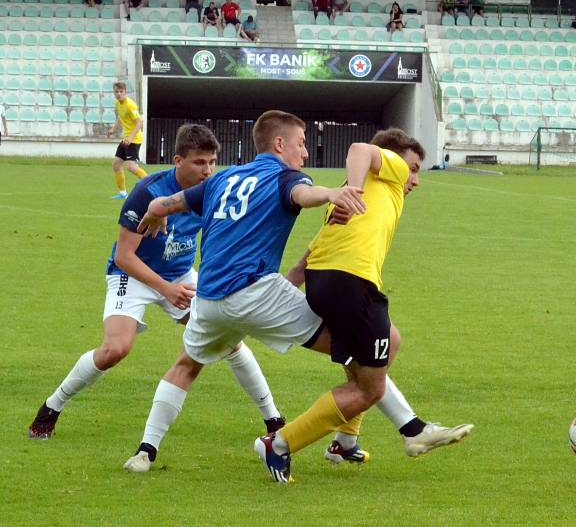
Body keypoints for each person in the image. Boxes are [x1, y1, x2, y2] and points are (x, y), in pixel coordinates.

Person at [125, 114, 472, 474]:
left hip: (209, 300)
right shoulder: (288, 177)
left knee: (186, 364)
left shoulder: (224, 177)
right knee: (364, 351)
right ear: (279, 144)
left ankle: (145, 451)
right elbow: (302, 195)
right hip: (256, 294)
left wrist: (153, 214)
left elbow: (166, 203)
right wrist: (333, 193)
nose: (305, 152)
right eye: (302, 143)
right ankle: (406, 429)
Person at [27, 125, 276, 441]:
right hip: (132, 276)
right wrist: (166, 289)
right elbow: (124, 257)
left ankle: (274, 420)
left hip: (182, 275)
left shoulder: (212, 190)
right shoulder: (147, 191)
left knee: (228, 341)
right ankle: (52, 406)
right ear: (177, 161)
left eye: (212, 162)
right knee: (115, 349)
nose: (208, 170)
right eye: (200, 162)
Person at [256, 129, 473, 484]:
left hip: (330, 281)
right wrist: (353, 189)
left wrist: (284, 285)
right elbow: (359, 147)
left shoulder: (356, 195)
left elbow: (312, 252)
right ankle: (280, 444)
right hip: (349, 282)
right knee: (368, 387)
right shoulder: (381, 175)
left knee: (388, 343)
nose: (415, 179)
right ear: (391, 160)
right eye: (413, 168)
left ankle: (345, 441)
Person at [106, 81, 147, 200]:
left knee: (131, 167)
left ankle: (152, 186)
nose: (119, 94)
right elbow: (120, 116)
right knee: (116, 164)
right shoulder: (118, 104)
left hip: (134, 140)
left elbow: (139, 122)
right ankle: (123, 193)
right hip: (126, 139)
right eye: (116, 92)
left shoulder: (131, 105)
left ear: (125, 92)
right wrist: (113, 129)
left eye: (121, 92)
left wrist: (130, 137)